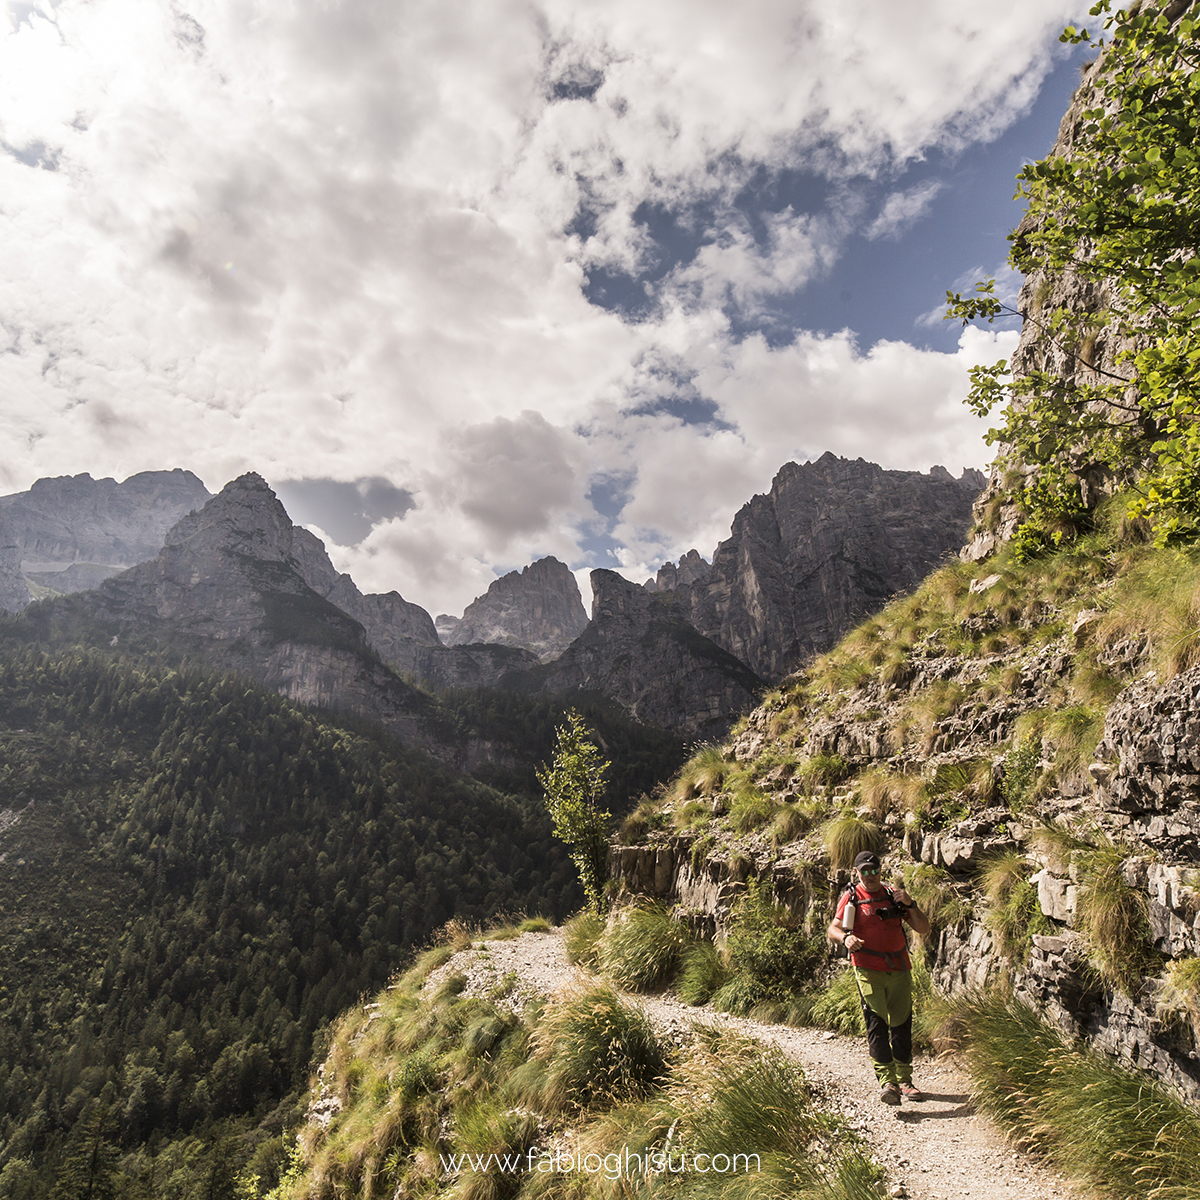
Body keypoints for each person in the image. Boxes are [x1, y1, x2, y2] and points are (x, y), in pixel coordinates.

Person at [828, 850, 931, 1106]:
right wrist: (845, 938)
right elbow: (833, 928)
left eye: (874, 870)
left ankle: (905, 1080)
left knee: (901, 1023)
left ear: (880, 870)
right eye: (865, 871)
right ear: (857, 872)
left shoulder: (892, 896)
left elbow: (923, 927)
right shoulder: (851, 897)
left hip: (899, 967)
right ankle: (888, 1083)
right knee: (877, 1023)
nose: (870, 875)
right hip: (867, 967)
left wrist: (910, 903)